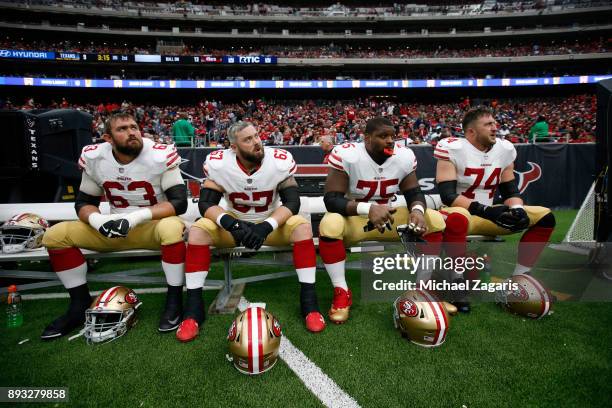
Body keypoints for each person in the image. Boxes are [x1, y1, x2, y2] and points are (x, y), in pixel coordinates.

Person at [41, 112, 189, 340]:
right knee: (55, 235)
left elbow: (179, 202)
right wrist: (98, 221)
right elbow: (84, 203)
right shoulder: (95, 158)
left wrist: (135, 217)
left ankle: (174, 300)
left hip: (151, 227)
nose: (132, 132)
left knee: (171, 228)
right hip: (113, 227)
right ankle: (79, 303)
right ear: (107, 138)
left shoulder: (159, 155)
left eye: (134, 127)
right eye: (122, 129)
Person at [182, 121, 325, 342]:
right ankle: (193, 311)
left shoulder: (278, 161)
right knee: (199, 230)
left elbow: (292, 202)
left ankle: (310, 304)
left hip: (270, 223)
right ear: (233, 147)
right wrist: (232, 225)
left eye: (256, 136)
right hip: (235, 224)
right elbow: (206, 204)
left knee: (302, 227)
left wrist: (266, 226)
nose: (257, 142)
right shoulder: (220, 164)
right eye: (247, 139)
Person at [318, 117, 467, 323]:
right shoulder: (348, 155)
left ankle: (423, 291)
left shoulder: (403, 156)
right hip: (356, 218)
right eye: (383, 136)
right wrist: (368, 208)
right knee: (330, 224)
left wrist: (417, 211)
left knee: (434, 219)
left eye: (392, 136)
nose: (390, 141)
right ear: (367, 138)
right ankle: (342, 292)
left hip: (389, 217)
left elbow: (414, 192)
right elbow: (332, 200)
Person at [435, 106, 555, 284]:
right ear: (471, 131)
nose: (495, 127)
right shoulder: (453, 148)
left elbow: (510, 190)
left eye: (495, 123)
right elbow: (448, 195)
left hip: (488, 214)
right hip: (458, 214)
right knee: (457, 219)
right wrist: (486, 211)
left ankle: (520, 277)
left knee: (545, 217)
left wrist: (517, 208)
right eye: (488, 124)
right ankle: (456, 279)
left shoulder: (504, 149)